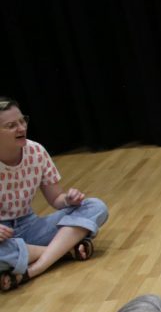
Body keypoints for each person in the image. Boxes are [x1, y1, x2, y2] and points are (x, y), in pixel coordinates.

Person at [0, 97, 109, 292]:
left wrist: (69, 199)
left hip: (29, 227)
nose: (21, 128)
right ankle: (66, 251)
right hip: (2, 239)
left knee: (95, 206)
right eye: (11, 125)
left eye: (22, 121)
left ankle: (34, 268)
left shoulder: (36, 151)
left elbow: (56, 199)